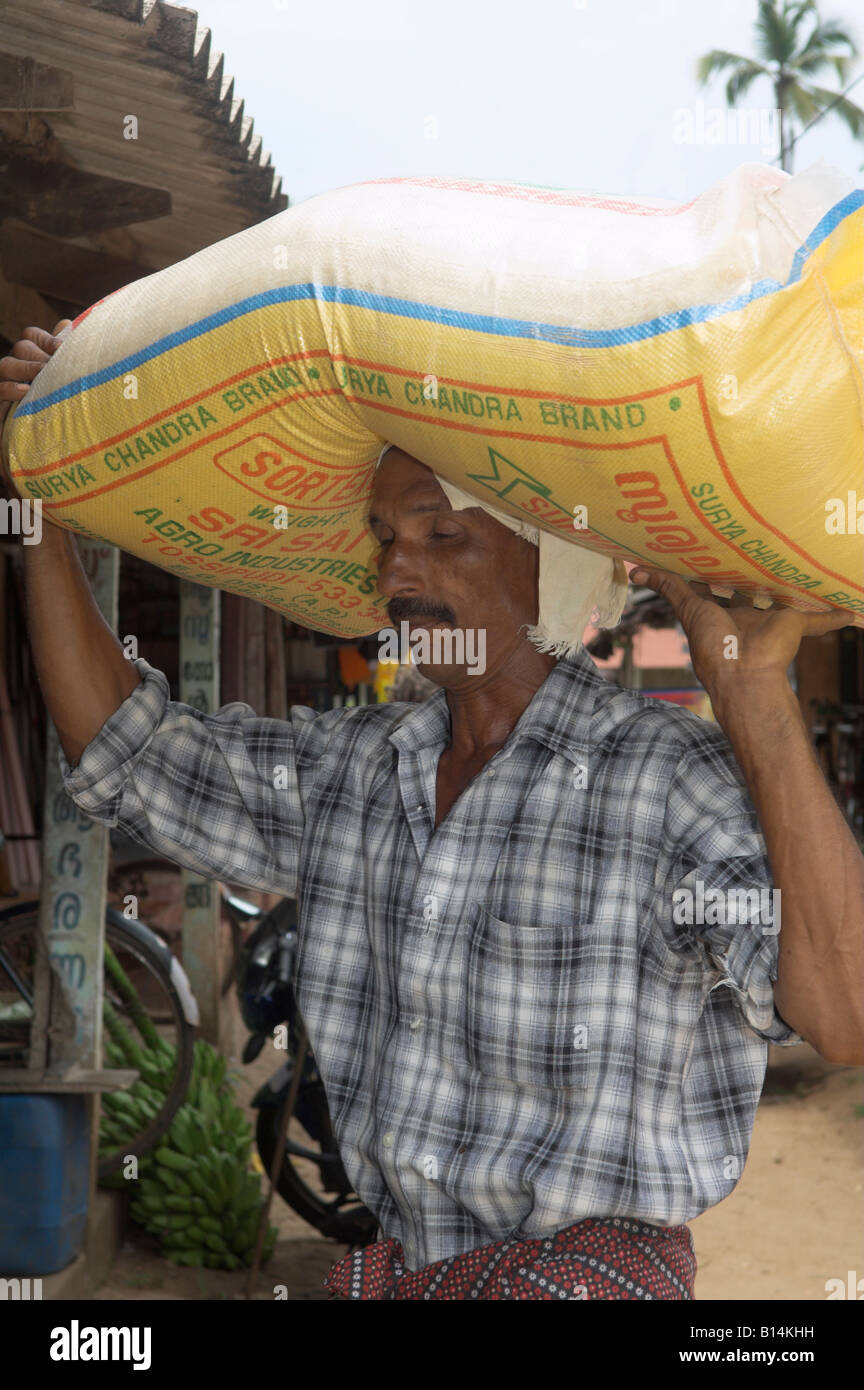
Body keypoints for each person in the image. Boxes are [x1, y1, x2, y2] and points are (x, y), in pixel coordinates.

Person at [1, 325, 862, 1302]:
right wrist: (44, 510)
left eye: (440, 535)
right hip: (410, 1272)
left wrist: (755, 697)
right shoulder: (360, 773)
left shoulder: (670, 784)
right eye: (386, 541)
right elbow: (126, 746)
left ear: (544, 556)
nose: (398, 578)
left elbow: (845, 1011)